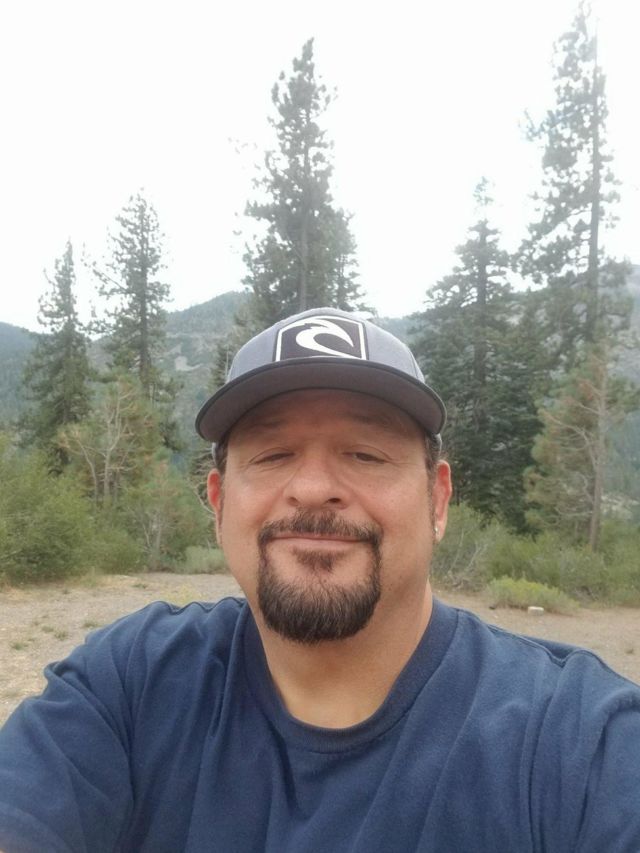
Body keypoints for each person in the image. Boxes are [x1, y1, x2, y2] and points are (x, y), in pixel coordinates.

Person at [0, 306, 639, 853]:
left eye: (365, 454)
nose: (311, 488)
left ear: (438, 502)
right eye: (273, 455)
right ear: (218, 505)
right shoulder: (129, 685)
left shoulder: (581, 744)